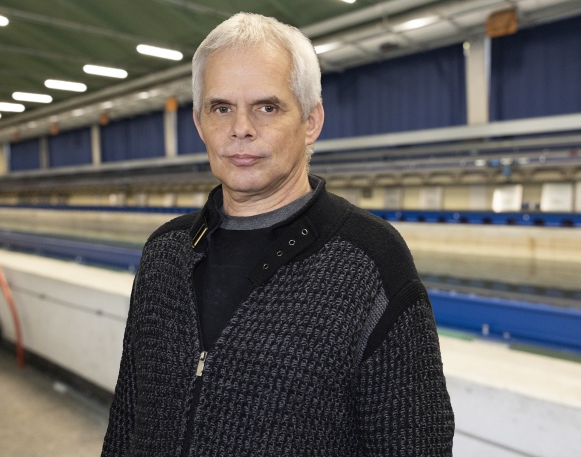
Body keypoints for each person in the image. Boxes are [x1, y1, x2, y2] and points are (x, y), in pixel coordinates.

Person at [102, 12, 454, 457]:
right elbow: (127, 419)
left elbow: (414, 445)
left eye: (267, 107)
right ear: (199, 124)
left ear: (311, 121)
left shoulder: (369, 261)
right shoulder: (165, 254)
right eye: (221, 108)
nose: (241, 128)